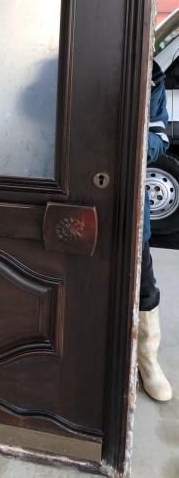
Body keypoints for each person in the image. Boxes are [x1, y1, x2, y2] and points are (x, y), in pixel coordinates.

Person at [138, 60, 173, 402]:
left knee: (143, 284)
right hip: (77, 196)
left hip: (130, 201)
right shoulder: (61, 57)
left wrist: (130, 138)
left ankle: (146, 358)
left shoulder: (152, 73)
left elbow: (160, 138)